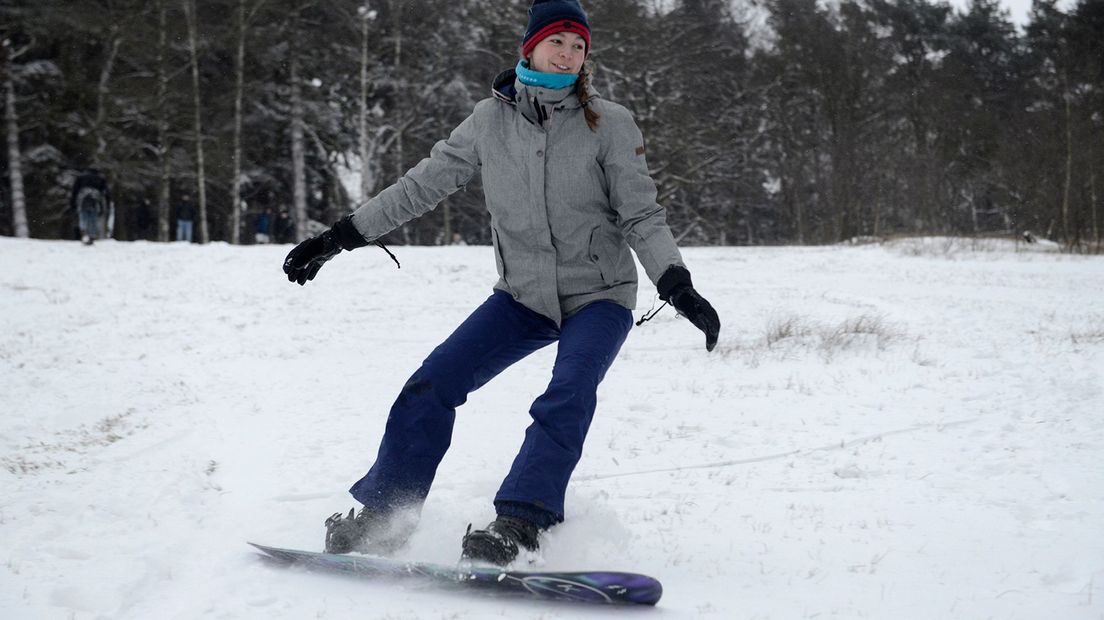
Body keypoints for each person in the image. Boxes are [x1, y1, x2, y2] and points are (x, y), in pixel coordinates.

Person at [283, 0, 720, 566]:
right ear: (530, 47)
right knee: (432, 383)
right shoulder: (488, 122)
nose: (567, 54)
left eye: (578, 46)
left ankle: (521, 521)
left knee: (567, 394)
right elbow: (421, 186)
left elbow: (642, 214)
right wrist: (339, 236)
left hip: (600, 296)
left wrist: (676, 282)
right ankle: (384, 516)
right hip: (522, 297)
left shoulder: (610, 123)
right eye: (557, 42)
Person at [70, 168, 112, 245]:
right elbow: (106, 193)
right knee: (93, 218)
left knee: (83, 217)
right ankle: (91, 235)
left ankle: (84, 233)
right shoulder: (100, 179)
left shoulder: (81, 178)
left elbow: (75, 191)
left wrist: (72, 204)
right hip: (95, 201)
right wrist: (107, 205)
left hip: (82, 200)